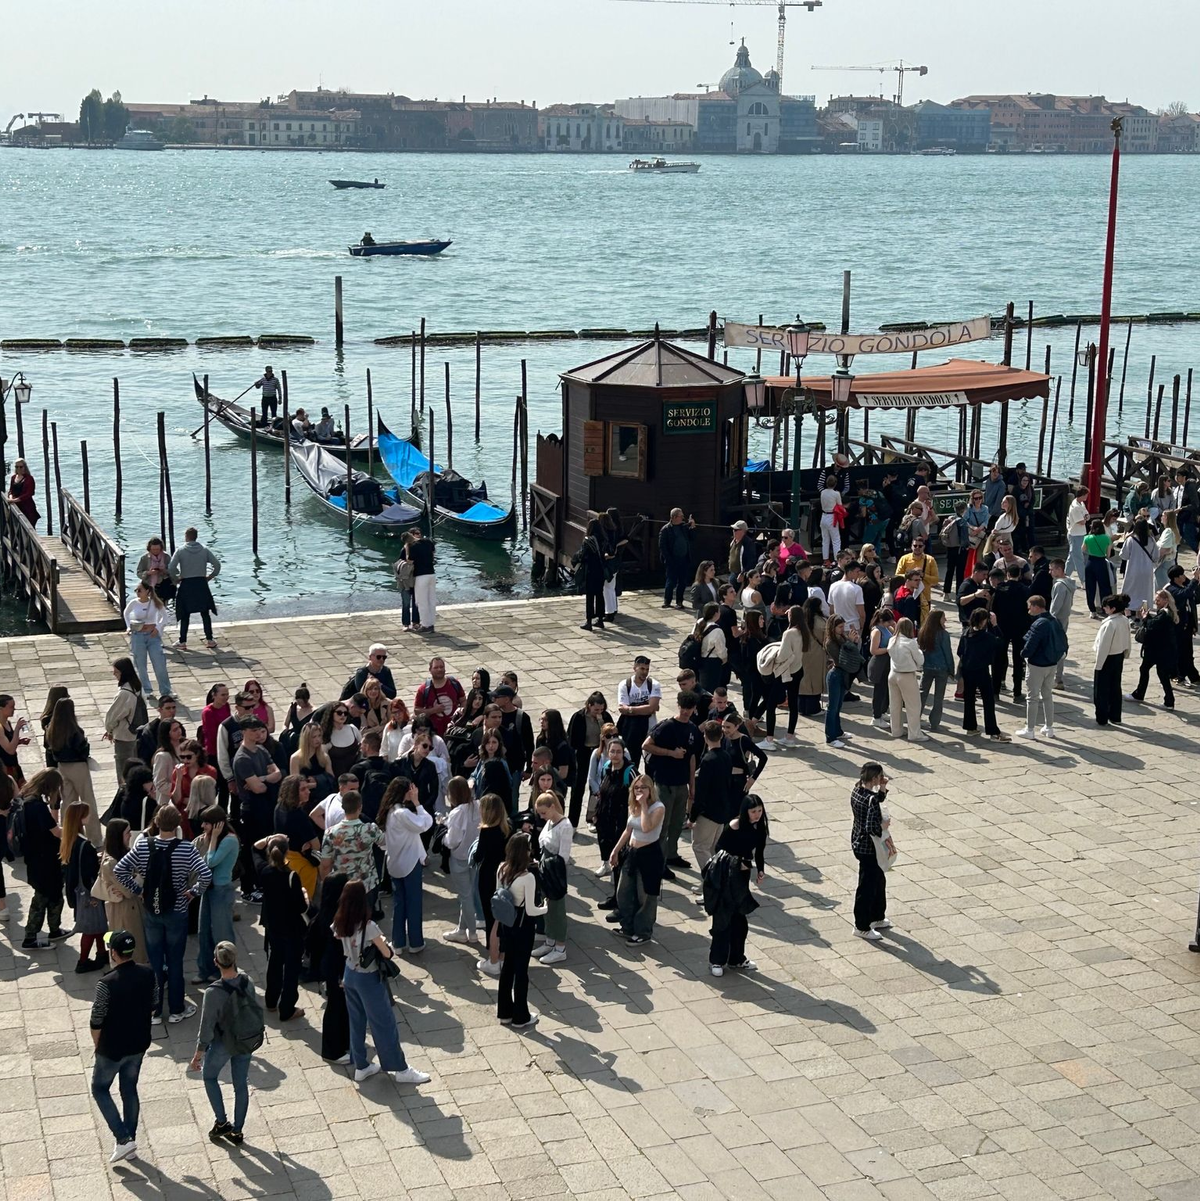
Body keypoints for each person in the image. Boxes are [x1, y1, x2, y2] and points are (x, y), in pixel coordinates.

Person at [115, 803, 211, 1023]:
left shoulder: (143, 846)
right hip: (177, 909)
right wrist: (193, 892)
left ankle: (155, 1010)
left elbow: (120, 869)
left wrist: (139, 891)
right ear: (177, 824)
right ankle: (177, 1009)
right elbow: (205, 874)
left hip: (151, 909)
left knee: (155, 961)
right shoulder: (186, 848)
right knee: (176, 961)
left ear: (156, 822)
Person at [332, 879, 430, 1085]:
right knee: (384, 1023)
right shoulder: (370, 927)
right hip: (368, 978)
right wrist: (384, 943)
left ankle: (361, 1065)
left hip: (349, 974)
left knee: (357, 1022)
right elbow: (387, 953)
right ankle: (400, 1069)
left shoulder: (340, 921)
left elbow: (338, 938)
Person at [89, 928, 156, 1164]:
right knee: (129, 1089)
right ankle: (130, 1142)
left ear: (114, 953)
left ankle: (123, 1138)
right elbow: (154, 1004)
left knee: (99, 1089)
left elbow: (97, 1019)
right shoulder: (148, 974)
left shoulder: (106, 983)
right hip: (138, 1044)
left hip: (112, 1048)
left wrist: (97, 1044)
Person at [189, 941, 265, 1145]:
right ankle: (238, 1131)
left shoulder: (213, 993)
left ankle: (222, 1122)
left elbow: (206, 1027)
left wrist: (198, 1054)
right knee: (240, 1085)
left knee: (209, 1076)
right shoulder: (247, 981)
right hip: (246, 1039)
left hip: (224, 1043)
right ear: (235, 960)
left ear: (216, 962)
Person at [640, 692, 701, 879]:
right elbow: (646, 745)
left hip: (681, 784)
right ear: (678, 706)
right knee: (662, 825)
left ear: (693, 709)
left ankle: (672, 854)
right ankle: (659, 861)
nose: (685, 712)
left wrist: (692, 787)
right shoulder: (667, 726)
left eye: (688, 709)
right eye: (683, 708)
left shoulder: (693, 730)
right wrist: (669, 753)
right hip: (664, 782)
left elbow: (692, 759)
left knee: (676, 824)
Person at [706, 793, 767, 976]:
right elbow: (719, 849)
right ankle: (716, 960)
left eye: (759, 810)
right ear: (745, 811)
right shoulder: (734, 825)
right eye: (753, 811)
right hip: (725, 874)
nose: (756, 814)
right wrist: (736, 861)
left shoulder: (760, 828)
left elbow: (759, 852)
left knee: (740, 920)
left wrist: (760, 870)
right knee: (723, 917)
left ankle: (736, 958)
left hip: (742, 874)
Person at [609, 774, 665, 946]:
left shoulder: (658, 807)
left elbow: (647, 828)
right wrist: (616, 850)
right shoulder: (632, 806)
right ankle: (628, 926)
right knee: (623, 892)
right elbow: (628, 830)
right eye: (636, 788)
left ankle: (643, 932)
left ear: (650, 789)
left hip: (650, 855)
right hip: (632, 852)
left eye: (643, 787)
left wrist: (643, 805)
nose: (639, 791)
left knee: (645, 896)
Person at [379, 775, 432, 953]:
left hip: (394, 863)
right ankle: (416, 943)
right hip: (409, 863)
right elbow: (425, 823)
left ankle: (398, 942)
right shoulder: (403, 813)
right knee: (414, 903)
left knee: (399, 903)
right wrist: (417, 803)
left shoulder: (388, 812)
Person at [258, 835, 307, 1023]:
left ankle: (271, 1000)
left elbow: (255, 850)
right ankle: (287, 1008)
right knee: (292, 967)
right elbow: (301, 908)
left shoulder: (264, 872)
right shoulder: (291, 876)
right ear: (287, 852)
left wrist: (268, 838)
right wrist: (305, 897)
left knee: (275, 962)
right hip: (292, 928)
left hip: (273, 926)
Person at [44, 695, 101, 844]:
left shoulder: (51, 729)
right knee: (88, 801)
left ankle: (68, 836)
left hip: (62, 767)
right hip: (78, 766)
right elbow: (83, 751)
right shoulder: (74, 730)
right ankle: (95, 839)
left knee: (68, 803)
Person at [61, 800, 109, 972]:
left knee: (98, 925)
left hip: (78, 893)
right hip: (90, 894)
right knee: (91, 928)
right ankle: (82, 961)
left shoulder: (70, 840)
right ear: (81, 818)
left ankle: (102, 953)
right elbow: (90, 873)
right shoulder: (85, 845)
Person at [194, 806, 238, 984]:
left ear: (218, 824)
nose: (203, 826)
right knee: (203, 931)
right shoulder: (214, 839)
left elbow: (210, 861)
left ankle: (227, 971)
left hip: (221, 890)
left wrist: (211, 840)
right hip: (209, 889)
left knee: (222, 933)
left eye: (206, 823)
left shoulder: (229, 840)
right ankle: (205, 970)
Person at [1015, 595, 1068, 739]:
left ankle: (1030, 729)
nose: (1028, 610)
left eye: (1029, 607)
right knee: (1047, 696)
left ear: (1036, 607)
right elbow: (1064, 641)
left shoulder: (1039, 623)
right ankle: (1049, 728)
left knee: (1032, 697)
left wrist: (1023, 654)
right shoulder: (1055, 620)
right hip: (1052, 663)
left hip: (1037, 664)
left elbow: (1030, 645)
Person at [850, 762, 892, 941]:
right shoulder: (871, 800)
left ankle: (876, 916)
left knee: (878, 880)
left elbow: (875, 800)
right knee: (867, 886)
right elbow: (872, 827)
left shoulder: (857, 791)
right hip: (869, 848)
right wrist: (883, 825)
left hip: (858, 842)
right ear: (874, 778)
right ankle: (862, 926)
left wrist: (882, 788)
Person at [96, 820, 147, 964]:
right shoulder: (111, 863)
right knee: (131, 949)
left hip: (133, 908)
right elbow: (129, 891)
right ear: (118, 836)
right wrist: (140, 876)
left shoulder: (125, 853)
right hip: (124, 912)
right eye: (127, 833)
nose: (130, 835)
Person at [689, 720, 734, 875]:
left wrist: (692, 816)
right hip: (722, 810)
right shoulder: (726, 756)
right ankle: (716, 881)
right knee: (711, 848)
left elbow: (701, 792)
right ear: (721, 736)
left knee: (700, 847)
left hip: (708, 813)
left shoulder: (708, 760)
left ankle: (712, 881)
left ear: (705, 736)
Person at [533, 791, 573, 965]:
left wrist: (546, 866)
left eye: (544, 812)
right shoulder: (550, 822)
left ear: (553, 807)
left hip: (555, 873)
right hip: (544, 869)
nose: (542, 817)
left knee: (557, 910)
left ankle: (560, 947)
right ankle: (549, 941)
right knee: (546, 907)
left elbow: (563, 856)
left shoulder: (565, 826)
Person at [958, 609, 1010, 741]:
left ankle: (970, 727)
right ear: (983, 621)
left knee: (969, 699)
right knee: (988, 701)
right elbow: (1001, 642)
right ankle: (993, 731)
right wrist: (996, 625)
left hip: (967, 670)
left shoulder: (965, 633)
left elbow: (960, 652)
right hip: (981, 671)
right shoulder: (986, 637)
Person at [441, 777, 481, 945]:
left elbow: (452, 840)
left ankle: (471, 933)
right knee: (469, 894)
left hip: (459, 857)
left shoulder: (457, 812)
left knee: (465, 896)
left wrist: (443, 836)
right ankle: (461, 929)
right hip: (475, 855)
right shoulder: (478, 806)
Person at [168, 528, 220, 650]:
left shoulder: (180, 551)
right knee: (205, 612)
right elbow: (217, 565)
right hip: (201, 583)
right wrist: (210, 577)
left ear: (186, 536)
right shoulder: (204, 550)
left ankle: (183, 641)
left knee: (185, 613)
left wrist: (176, 578)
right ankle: (210, 639)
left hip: (186, 583)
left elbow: (171, 567)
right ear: (196, 537)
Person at [1127, 590, 1179, 709]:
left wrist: (1145, 618)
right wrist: (1148, 617)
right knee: (1154, 672)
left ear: (1166, 600)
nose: (1156, 602)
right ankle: (1166, 700)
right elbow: (1155, 624)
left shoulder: (1165, 614)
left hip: (1158, 650)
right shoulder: (1166, 613)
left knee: (1158, 673)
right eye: (1156, 599)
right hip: (1162, 649)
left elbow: (1152, 627)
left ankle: (1165, 699)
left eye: (1158, 599)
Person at [123, 581, 172, 698]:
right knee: (140, 664)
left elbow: (164, 617)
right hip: (138, 635)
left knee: (159, 663)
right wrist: (129, 627)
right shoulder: (134, 603)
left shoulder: (155, 602)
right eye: (136, 590)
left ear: (148, 591)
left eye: (140, 590)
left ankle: (165, 691)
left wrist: (158, 628)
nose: (137, 593)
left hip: (152, 635)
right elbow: (126, 614)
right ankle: (146, 690)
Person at [991, 564, 1031, 702]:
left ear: (1007, 574)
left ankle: (995, 691)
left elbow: (993, 608)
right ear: (1019, 575)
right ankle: (1017, 692)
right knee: (1018, 660)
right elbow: (1028, 611)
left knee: (998, 660)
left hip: (1001, 628)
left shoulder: (999, 589)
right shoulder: (1025, 590)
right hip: (1019, 629)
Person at [103, 657, 145, 784]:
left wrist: (109, 730)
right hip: (134, 732)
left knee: (123, 770)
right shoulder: (136, 687)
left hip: (124, 736)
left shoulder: (124, 694)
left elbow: (112, 716)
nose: (114, 674)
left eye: (116, 672)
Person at [1093, 593, 1131, 726]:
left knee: (1101, 689)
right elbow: (1128, 639)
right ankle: (1115, 715)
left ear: (1113, 608)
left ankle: (1102, 717)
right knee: (1115, 687)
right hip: (1118, 656)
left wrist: (1098, 664)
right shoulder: (1124, 620)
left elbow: (1104, 646)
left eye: (1106, 607)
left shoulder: (1110, 624)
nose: (1104, 609)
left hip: (1107, 658)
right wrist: (1127, 652)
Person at [616, 656, 660, 771]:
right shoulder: (625, 685)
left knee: (650, 763)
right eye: (642, 669)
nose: (645, 672)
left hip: (649, 728)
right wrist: (646, 707)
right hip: (632, 729)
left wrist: (631, 709)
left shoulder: (653, 684)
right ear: (635, 668)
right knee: (632, 762)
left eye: (647, 669)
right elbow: (622, 708)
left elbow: (652, 708)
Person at [886, 617, 925, 742]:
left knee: (895, 704)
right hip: (906, 675)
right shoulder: (910, 643)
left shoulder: (892, 640)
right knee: (913, 705)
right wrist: (919, 649)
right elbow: (920, 660)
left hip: (893, 674)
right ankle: (914, 734)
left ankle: (896, 730)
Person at [917, 610, 954, 733]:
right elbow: (947, 653)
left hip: (927, 667)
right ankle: (934, 722)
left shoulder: (923, 632)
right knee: (939, 697)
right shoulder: (943, 634)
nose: (945, 620)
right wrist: (951, 669)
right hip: (941, 668)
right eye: (944, 618)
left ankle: (915, 718)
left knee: (922, 694)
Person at [413, 657, 464, 739]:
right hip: (434, 733)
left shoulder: (454, 683)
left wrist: (462, 713)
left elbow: (463, 700)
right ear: (430, 670)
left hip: (453, 731)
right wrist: (433, 710)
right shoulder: (424, 689)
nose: (439, 669)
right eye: (436, 667)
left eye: (441, 667)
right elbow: (417, 711)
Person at [1166, 565, 1200, 686]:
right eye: (1182, 575)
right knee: (1179, 652)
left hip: (1188, 625)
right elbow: (1184, 594)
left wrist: (1195, 580)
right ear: (1176, 578)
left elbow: (1196, 597)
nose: (1184, 577)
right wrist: (1195, 579)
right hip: (1178, 626)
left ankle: (1193, 675)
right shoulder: (1172, 589)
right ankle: (1177, 675)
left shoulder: (1184, 586)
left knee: (1188, 652)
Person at [1048, 558, 1077, 690]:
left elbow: (1055, 607)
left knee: (1056, 649)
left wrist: (1048, 620)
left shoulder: (1059, 585)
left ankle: (1057, 678)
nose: (1050, 572)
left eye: (1052, 569)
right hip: (1064, 620)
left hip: (1057, 621)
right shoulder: (1069, 582)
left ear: (1059, 570)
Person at [1120, 519, 1160, 614]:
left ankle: (1129, 612)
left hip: (1133, 569)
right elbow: (1156, 556)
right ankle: (1143, 613)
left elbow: (1123, 555)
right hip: (1147, 570)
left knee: (1129, 591)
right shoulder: (1151, 540)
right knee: (1145, 592)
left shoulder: (1131, 539)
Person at [658, 507, 695, 609]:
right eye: (681, 516)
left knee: (682, 581)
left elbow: (692, 538)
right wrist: (669, 559)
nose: (683, 518)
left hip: (684, 558)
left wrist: (692, 527)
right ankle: (667, 601)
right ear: (674, 517)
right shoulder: (665, 529)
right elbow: (662, 546)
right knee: (671, 581)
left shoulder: (684, 527)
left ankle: (679, 601)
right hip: (672, 560)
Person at [896, 537, 939, 623]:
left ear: (924, 547)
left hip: (924, 599)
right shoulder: (904, 559)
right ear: (911, 546)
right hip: (908, 597)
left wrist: (923, 575)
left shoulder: (930, 560)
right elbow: (897, 577)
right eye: (915, 545)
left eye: (920, 546)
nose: (917, 548)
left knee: (924, 625)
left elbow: (935, 580)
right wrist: (911, 575)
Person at [407, 526, 437, 633]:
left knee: (421, 601)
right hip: (431, 574)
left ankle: (425, 625)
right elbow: (433, 555)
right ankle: (431, 624)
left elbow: (409, 561)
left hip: (420, 575)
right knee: (431, 600)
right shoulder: (429, 542)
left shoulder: (412, 546)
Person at [1083, 518, 1114, 617]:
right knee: (1104, 587)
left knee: (1090, 588)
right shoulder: (1106, 538)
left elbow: (1083, 549)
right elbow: (1108, 554)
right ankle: (1106, 608)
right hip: (1101, 562)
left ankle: (1092, 610)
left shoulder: (1087, 538)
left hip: (1090, 562)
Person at [1065, 486, 1090, 585]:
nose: (1087, 497)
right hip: (1075, 534)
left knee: (1072, 557)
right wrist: (1085, 518)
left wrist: (1085, 518)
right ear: (1082, 495)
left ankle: (1066, 575)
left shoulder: (1081, 503)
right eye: (1086, 495)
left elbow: (1087, 515)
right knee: (1079, 558)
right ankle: (1083, 579)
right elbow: (1081, 521)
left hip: (1081, 533)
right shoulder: (1075, 507)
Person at [7, 457, 40, 525]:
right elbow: (11, 490)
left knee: (29, 527)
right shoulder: (13, 477)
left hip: (27, 507)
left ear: (24, 467)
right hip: (16, 507)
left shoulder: (29, 479)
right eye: (17, 467)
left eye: (21, 467)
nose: (18, 469)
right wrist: (10, 497)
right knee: (16, 528)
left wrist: (15, 500)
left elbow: (29, 493)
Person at [817, 474, 842, 563]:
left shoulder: (822, 492)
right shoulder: (836, 494)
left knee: (825, 539)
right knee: (836, 540)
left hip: (824, 516)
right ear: (835, 484)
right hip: (832, 516)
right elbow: (840, 505)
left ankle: (825, 559)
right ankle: (837, 560)